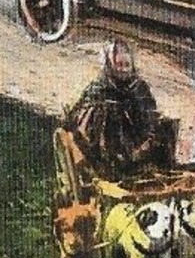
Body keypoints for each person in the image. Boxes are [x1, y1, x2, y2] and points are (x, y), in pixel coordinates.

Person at [65, 40, 169, 179]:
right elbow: (79, 116)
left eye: (127, 65)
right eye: (119, 65)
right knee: (108, 112)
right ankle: (113, 168)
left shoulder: (139, 86)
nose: (123, 69)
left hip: (137, 142)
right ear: (109, 66)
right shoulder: (98, 88)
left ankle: (148, 166)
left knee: (166, 127)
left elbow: (150, 113)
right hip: (105, 149)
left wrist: (149, 137)